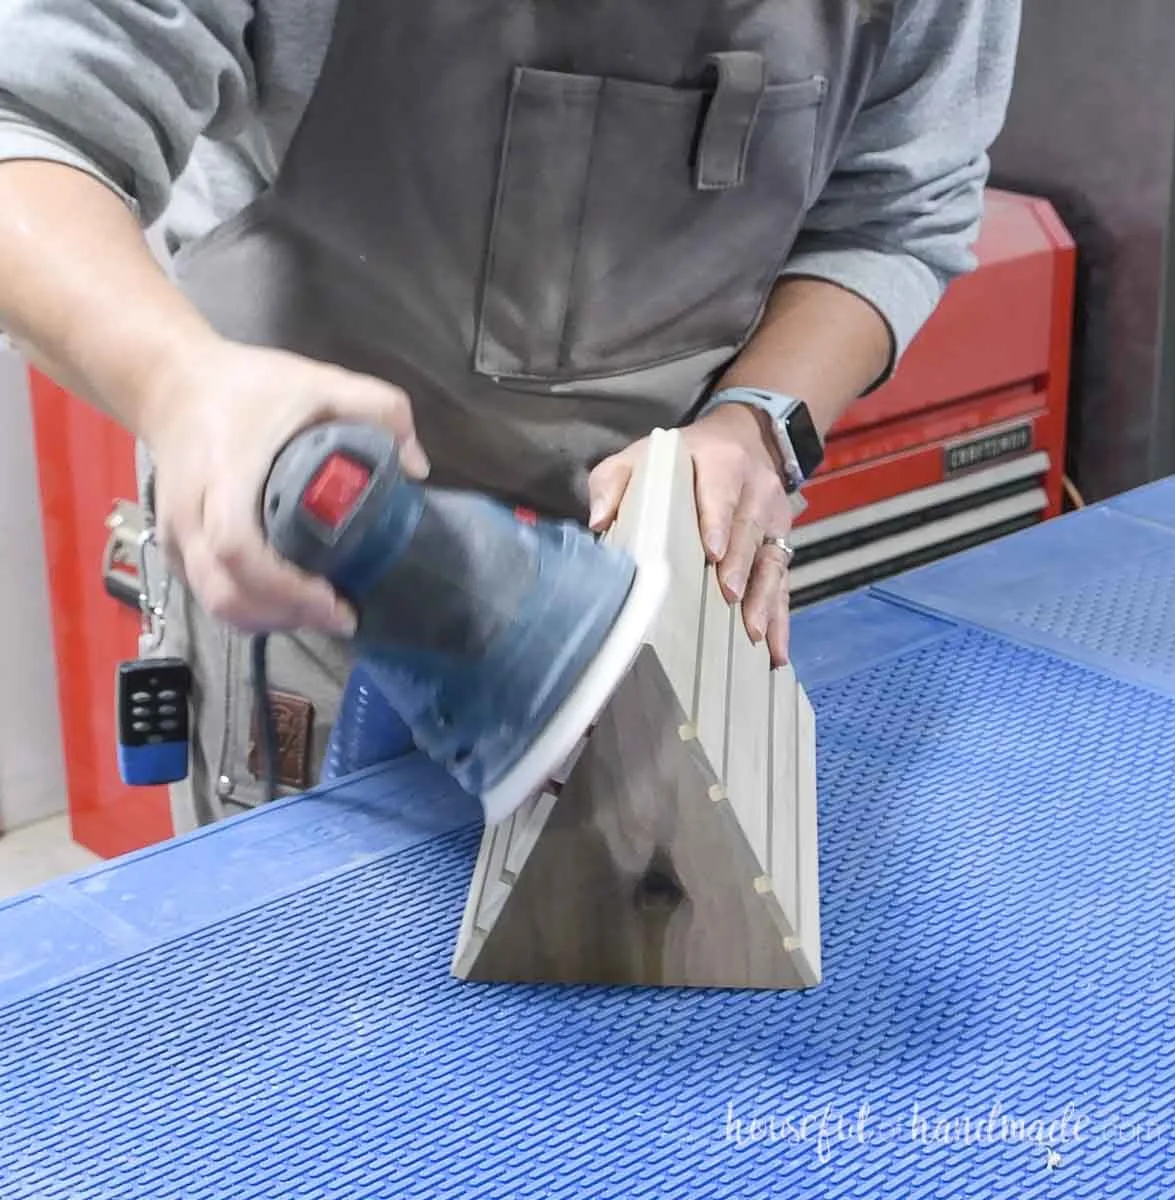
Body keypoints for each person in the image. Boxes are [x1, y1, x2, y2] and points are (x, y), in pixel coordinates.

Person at [0, 0, 1019, 832]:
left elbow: (895, 212)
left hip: (655, 566)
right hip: (319, 563)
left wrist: (753, 425)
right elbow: (27, 121)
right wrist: (183, 386)